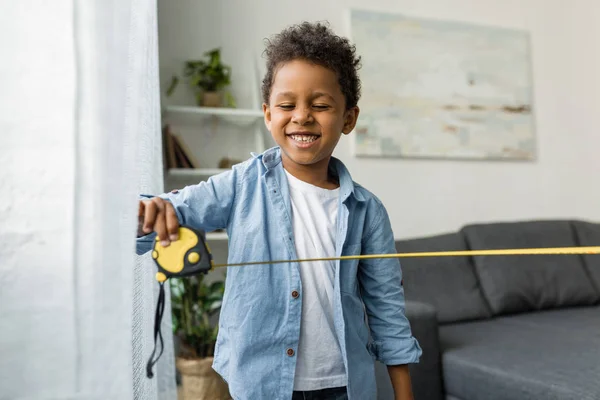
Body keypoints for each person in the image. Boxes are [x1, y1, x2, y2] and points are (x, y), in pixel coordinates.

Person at [137, 21, 421, 400]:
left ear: (349, 118)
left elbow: (387, 311)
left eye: (320, 105)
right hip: (261, 385)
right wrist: (149, 211)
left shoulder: (368, 210)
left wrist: (404, 395)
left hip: (344, 386)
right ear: (269, 114)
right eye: (287, 105)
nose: (302, 116)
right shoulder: (241, 184)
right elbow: (165, 212)